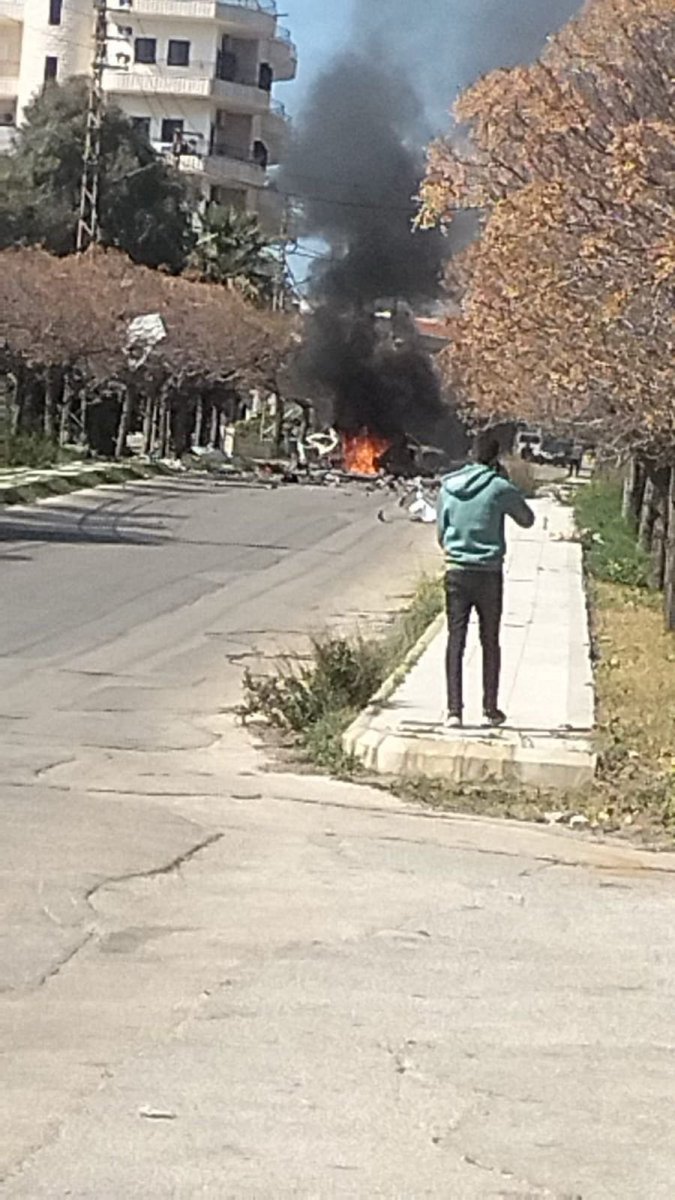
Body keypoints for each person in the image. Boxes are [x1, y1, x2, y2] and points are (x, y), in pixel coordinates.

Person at [437, 433, 535, 728]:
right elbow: (527, 519)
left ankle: (454, 711)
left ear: (471, 454)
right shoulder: (499, 488)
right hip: (488, 573)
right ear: (495, 458)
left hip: (456, 570)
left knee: (456, 640)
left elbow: (441, 534)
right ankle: (489, 710)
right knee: (489, 641)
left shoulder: (448, 486)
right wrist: (507, 484)